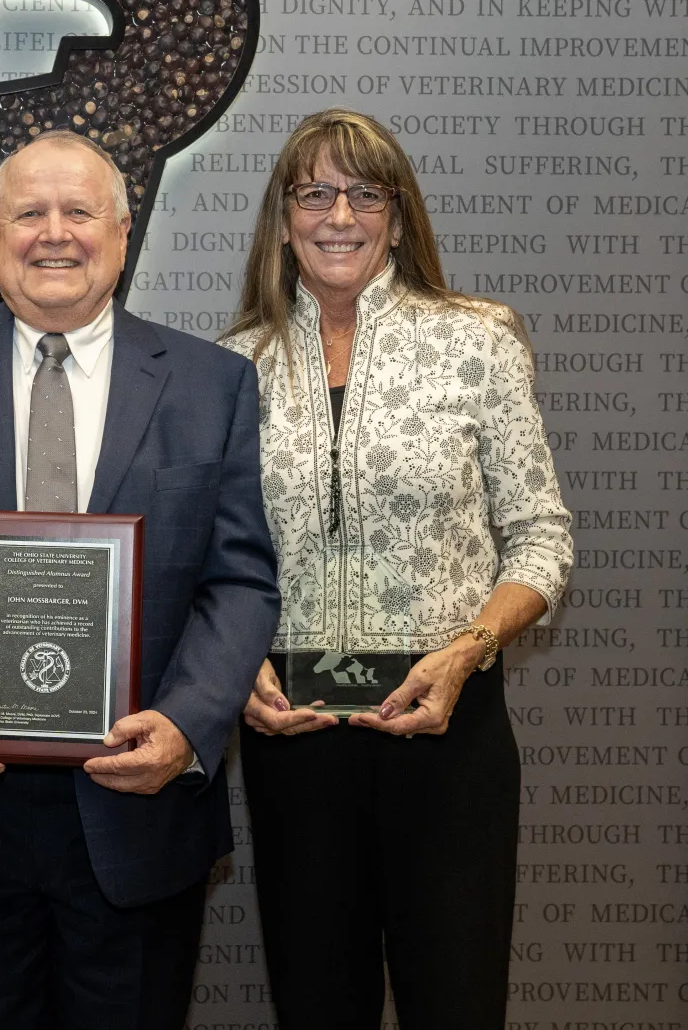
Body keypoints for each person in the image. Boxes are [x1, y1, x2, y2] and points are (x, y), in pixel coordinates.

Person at [0, 130, 280, 1029]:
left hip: (135, 801)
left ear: (121, 232)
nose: (53, 234)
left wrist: (186, 725)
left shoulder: (210, 383)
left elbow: (239, 583)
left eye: (78, 211)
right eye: (27, 213)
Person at [222, 107, 573, 1030]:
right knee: (315, 1004)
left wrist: (464, 652)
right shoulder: (231, 367)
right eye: (314, 192)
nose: (339, 213)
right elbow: (210, 561)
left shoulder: (478, 340)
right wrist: (234, 666)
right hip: (292, 738)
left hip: (444, 730)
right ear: (283, 216)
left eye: (364, 191)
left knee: (454, 1000)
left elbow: (541, 538)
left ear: (397, 211)